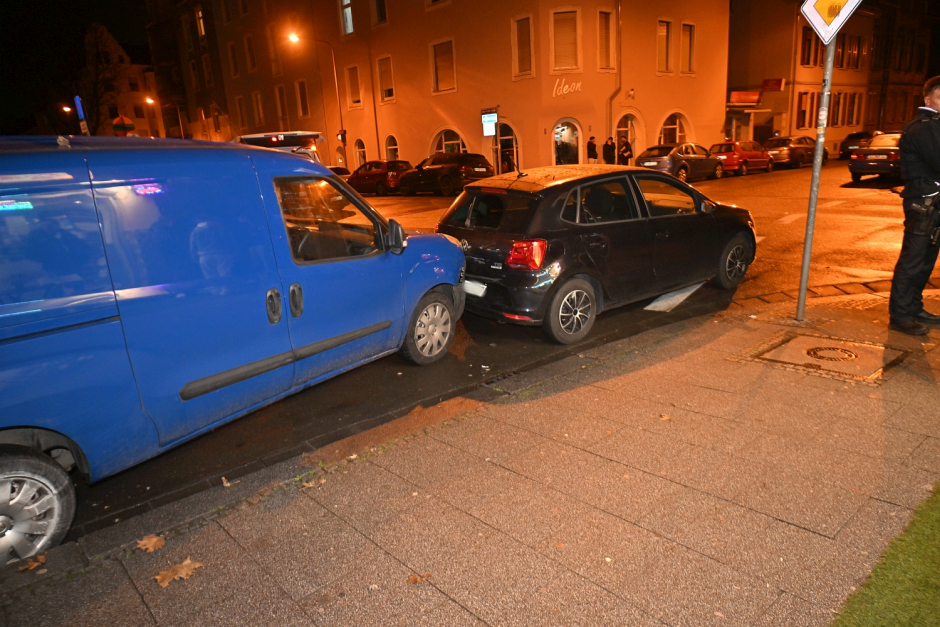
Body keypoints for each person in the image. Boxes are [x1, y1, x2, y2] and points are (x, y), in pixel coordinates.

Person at [888, 75, 940, 335]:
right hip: (923, 202)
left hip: (932, 202)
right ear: (928, 99)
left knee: (926, 259)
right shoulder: (924, 127)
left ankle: (913, 307)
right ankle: (900, 316)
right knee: (913, 259)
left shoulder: (933, 125)